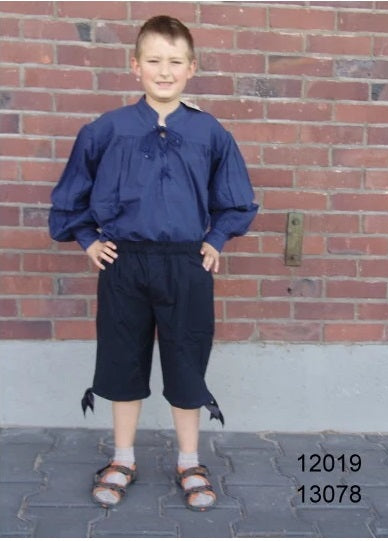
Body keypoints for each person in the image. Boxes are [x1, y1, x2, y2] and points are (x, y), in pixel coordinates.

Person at [49, 15, 258, 512]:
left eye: (175, 62)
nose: (165, 71)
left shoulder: (210, 132)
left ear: (192, 68)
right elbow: (71, 195)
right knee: (123, 359)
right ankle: (123, 457)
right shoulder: (107, 129)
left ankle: (189, 460)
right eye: (154, 61)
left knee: (186, 360)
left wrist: (216, 239)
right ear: (135, 66)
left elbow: (236, 199)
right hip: (124, 264)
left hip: (186, 265)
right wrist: (87, 239)